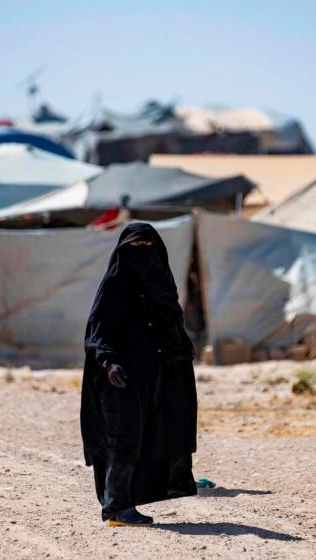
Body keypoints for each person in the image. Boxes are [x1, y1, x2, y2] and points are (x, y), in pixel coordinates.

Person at [80, 223, 198, 527]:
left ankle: (124, 502)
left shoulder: (162, 285)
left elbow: (172, 328)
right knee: (124, 440)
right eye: (134, 248)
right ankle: (117, 507)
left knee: (151, 436)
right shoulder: (114, 285)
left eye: (147, 248)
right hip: (117, 378)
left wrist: (180, 353)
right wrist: (109, 363)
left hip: (154, 376)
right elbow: (96, 334)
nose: (141, 255)